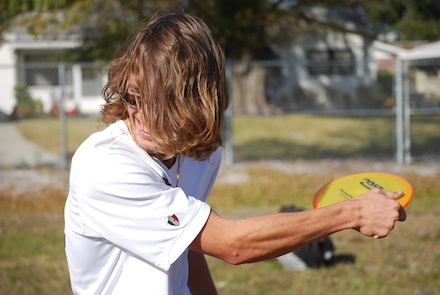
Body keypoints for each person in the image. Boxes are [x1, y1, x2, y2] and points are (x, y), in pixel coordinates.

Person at [64, 11, 406, 295]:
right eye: (132, 97)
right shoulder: (104, 167)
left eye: (159, 104)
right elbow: (233, 244)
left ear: (193, 102)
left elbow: (186, 241)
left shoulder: (201, 154)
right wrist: (352, 213)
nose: (139, 114)